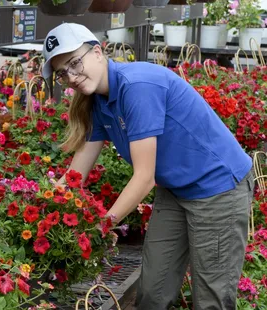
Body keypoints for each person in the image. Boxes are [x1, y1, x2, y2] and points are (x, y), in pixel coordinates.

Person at [42, 23, 254, 310]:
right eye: (63, 73)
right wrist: (47, 203)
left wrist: (101, 226)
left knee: (211, 300)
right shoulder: (97, 101)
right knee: (153, 291)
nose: (72, 77)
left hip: (218, 188)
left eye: (75, 63)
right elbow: (76, 174)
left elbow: (144, 178)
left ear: (97, 52)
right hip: (177, 189)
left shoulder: (137, 87)